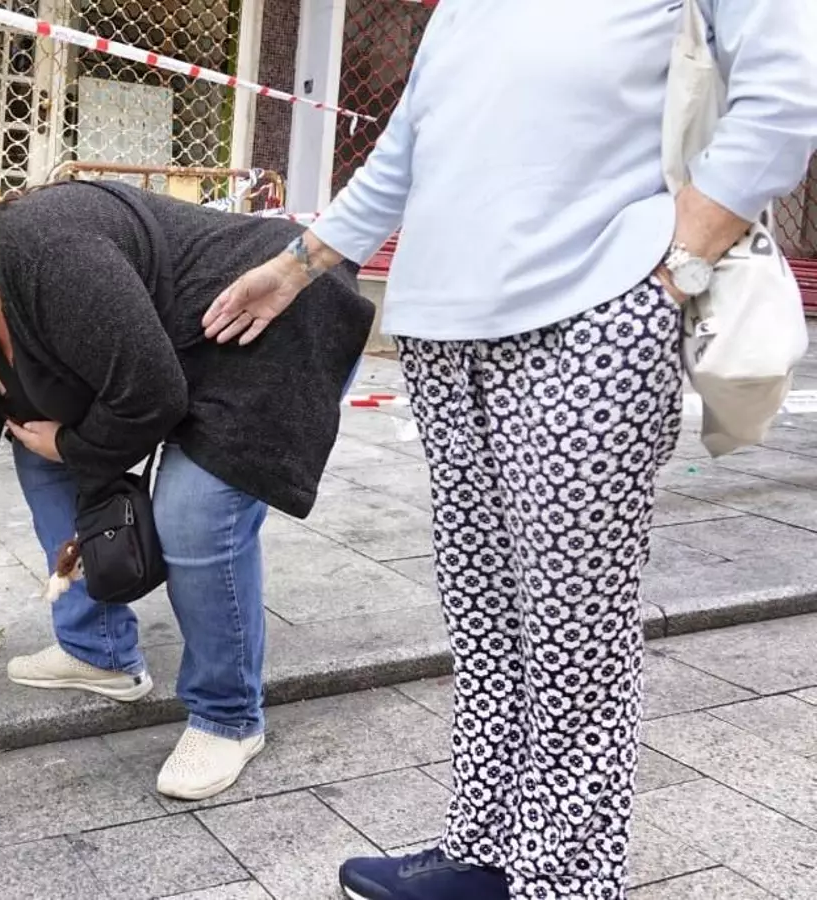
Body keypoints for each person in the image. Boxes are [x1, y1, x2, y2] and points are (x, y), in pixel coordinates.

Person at [203, 2, 817, 898]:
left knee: (573, 629)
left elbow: (784, 97)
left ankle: (562, 880)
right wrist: (295, 266)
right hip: (443, 330)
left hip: (593, 310)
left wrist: (677, 267)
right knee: (485, 614)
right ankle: (483, 851)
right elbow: (406, 149)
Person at [0, 178, 374, 800]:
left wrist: (73, 445)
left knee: (193, 514)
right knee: (35, 446)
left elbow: (151, 394)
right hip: (175, 348)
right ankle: (99, 652)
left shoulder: (45, 251)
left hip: (274, 317)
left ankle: (228, 717)